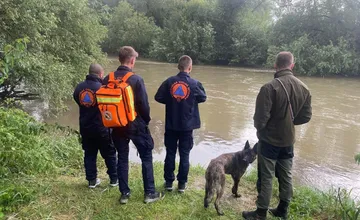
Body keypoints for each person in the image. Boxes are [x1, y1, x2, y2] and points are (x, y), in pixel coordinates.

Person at [242, 52, 312, 220]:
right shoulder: (304, 88)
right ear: (292, 65)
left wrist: (264, 129)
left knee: (266, 177)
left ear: (275, 65)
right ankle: (283, 209)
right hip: (288, 141)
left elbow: (260, 120)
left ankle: (260, 214)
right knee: (286, 176)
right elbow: (306, 116)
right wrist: (289, 122)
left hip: (269, 141)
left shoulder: (269, 88)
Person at [102, 46, 163, 204]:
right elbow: (144, 105)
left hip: (115, 124)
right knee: (146, 156)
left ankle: (124, 194)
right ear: (132, 60)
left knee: (122, 157)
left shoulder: (108, 78)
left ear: (119, 59)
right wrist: (146, 121)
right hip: (135, 123)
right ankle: (149, 193)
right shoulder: (136, 79)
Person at [155, 55, 207, 193]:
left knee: (170, 152)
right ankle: (182, 184)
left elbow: (158, 97)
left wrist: (172, 100)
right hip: (187, 126)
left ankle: (168, 183)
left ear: (178, 67)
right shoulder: (195, 84)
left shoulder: (169, 82)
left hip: (171, 124)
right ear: (190, 67)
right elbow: (203, 97)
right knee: (185, 154)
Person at [73, 64, 118, 188]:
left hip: (86, 127)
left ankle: (92, 180)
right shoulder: (103, 88)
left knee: (89, 154)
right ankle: (114, 179)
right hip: (102, 128)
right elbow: (110, 108)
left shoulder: (79, 87)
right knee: (109, 153)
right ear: (101, 74)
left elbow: (78, 100)